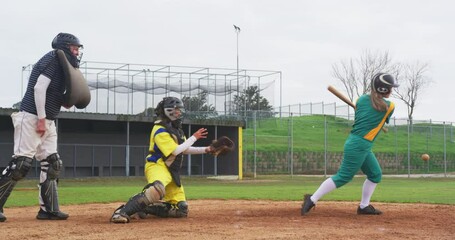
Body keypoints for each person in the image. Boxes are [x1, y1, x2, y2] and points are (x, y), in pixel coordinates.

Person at [0, 33, 84, 222]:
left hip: (48, 120)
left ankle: (48, 210)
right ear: (64, 47)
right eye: (74, 47)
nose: (77, 51)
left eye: (78, 48)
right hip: (32, 117)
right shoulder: (53, 59)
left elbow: (53, 92)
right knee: (20, 165)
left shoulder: (64, 65)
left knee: (52, 163)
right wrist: (41, 118)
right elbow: (39, 89)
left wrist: (65, 101)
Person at [301, 73, 399, 216]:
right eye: (390, 88)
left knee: (375, 174)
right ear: (383, 89)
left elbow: (367, 111)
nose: (391, 90)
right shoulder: (389, 106)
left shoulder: (360, 100)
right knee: (344, 176)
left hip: (359, 143)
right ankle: (312, 198)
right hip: (359, 144)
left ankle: (364, 207)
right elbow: (380, 116)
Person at [111, 96, 214, 223]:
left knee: (181, 209)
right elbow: (176, 151)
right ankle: (121, 212)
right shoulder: (160, 129)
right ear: (169, 111)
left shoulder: (177, 130)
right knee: (157, 190)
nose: (179, 112)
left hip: (172, 170)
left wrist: (207, 149)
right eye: (177, 110)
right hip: (158, 166)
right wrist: (194, 137)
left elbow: (184, 149)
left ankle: (143, 207)